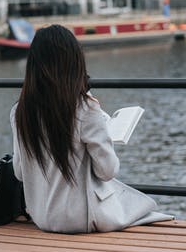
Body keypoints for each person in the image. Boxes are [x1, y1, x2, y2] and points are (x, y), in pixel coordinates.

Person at [11, 24, 173, 233]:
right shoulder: (85, 109)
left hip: (42, 217)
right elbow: (107, 171)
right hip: (79, 218)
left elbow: (19, 172)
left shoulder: (19, 111)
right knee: (144, 207)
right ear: (74, 62)